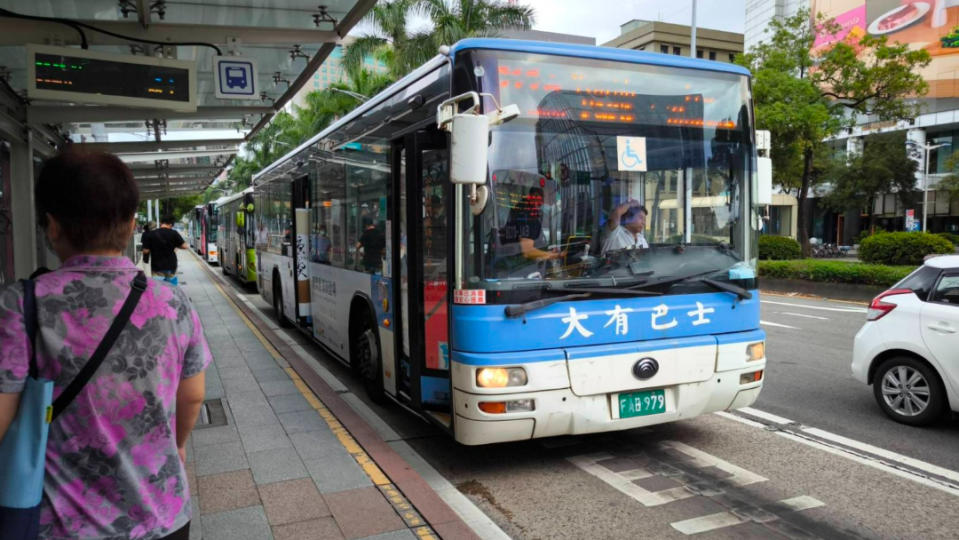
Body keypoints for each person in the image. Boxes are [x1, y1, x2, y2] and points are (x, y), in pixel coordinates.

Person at [0, 149, 211, 539]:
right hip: (162, 514)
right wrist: (176, 447)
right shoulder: (172, 302)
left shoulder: (22, 304)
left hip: (64, 526)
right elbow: (194, 395)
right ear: (132, 225)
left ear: (51, 226)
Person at [142, 214, 188, 282]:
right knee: (171, 289)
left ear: (161, 223)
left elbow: (145, 251)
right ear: (171, 224)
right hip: (171, 266)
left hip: (157, 267)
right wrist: (175, 245)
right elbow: (185, 246)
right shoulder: (174, 233)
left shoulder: (152, 234)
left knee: (159, 290)